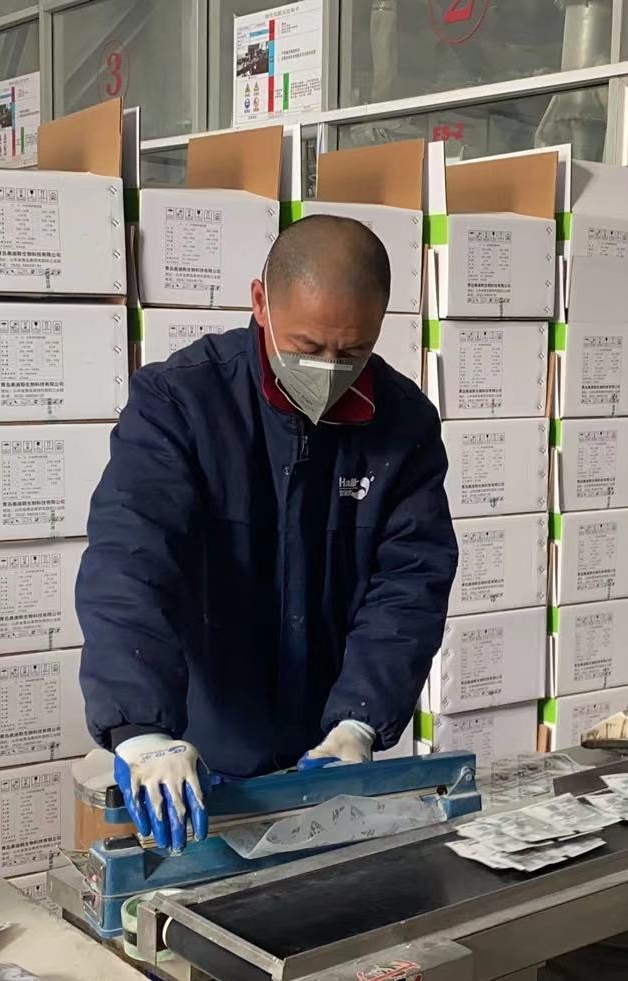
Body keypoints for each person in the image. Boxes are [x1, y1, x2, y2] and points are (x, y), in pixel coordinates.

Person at [77, 215, 458, 852]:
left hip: (328, 757)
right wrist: (140, 729)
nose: (328, 370)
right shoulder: (182, 403)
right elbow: (129, 560)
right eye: (307, 346)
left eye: (352, 352)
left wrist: (359, 723)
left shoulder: (403, 423)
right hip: (197, 754)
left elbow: (410, 584)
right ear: (261, 303)